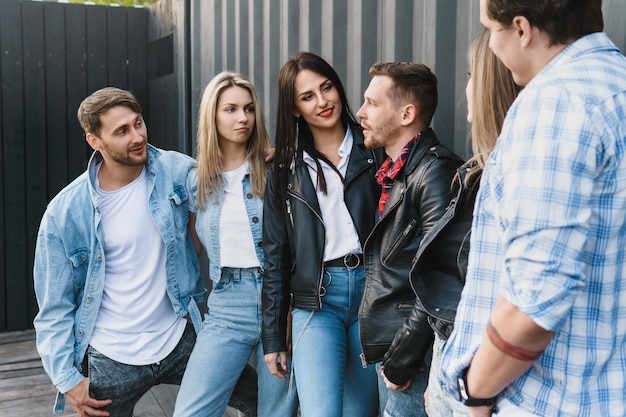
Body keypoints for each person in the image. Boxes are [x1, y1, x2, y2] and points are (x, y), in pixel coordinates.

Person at [441, 1, 626, 416]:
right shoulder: (617, 85)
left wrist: (476, 393)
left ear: (522, 30)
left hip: (552, 401)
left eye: (492, 29)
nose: (493, 43)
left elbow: (535, 298)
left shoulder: (556, 103)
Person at [32, 87, 253, 417]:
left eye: (138, 123)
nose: (137, 136)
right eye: (122, 131)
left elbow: (228, 190)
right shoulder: (65, 212)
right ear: (95, 141)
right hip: (111, 358)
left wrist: (264, 161)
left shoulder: (173, 169)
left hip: (180, 338)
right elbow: (53, 306)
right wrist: (67, 379)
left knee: (263, 398)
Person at [262, 51, 381, 417]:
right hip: (317, 300)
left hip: (371, 294)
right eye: (307, 96)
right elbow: (275, 254)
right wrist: (272, 338)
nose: (322, 101)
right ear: (295, 108)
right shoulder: (285, 167)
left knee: (361, 411)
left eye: (326, 87)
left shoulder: (373, 148)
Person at [172, 72, 298, 417]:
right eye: (230, 109)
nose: (242, 118)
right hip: (227, 305)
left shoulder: (276, 169)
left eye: (248, 109)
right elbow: (189, 246)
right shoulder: (195, 182)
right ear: (212, 115)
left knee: (276, 411)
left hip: (281, 302)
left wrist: (290, 308)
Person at [408, 31, 519, 417]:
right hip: (454, 362)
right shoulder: (474, 174)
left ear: (490, 86)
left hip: (486, 379)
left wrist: (476, 396)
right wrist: (443, 369)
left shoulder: (513, 177)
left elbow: (514, 304)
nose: (466, 87)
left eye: (473, 75)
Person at [355, 62, 462, 417]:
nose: (360, 112)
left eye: (372, 103)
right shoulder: (395, 171)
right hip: (396, 350)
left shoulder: (434, 174)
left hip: (413, 357)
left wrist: (401, 359)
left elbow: (442, 279)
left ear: (406, 114)